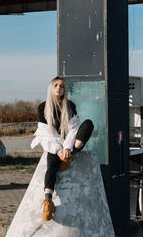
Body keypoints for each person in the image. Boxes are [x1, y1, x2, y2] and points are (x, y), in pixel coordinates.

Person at [31, 76, 94, 221]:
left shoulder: (70, 105)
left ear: (65, 89)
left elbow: (73, 129)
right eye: (56, 85)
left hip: (70, 145)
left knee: (88, 124)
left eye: (62, 86)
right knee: (51, 164)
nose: (59, 88)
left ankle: (71, 156)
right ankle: (48, 202)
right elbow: (46, 133)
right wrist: (59, 150)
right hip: (54, 143)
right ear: (51, 88)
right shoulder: (43, 107)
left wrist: (67, 149)